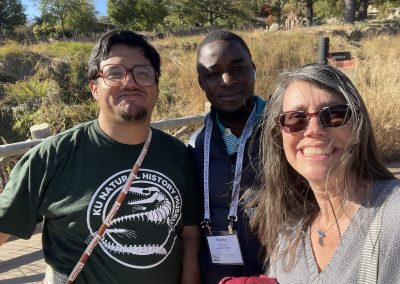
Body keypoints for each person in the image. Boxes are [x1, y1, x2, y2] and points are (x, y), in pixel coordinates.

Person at [0, 30, 201, 284]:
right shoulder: (53, 156)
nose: (130, 82)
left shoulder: (179, 155)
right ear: (94, 87)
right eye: (115, 73)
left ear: (156, 86)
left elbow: (190, 235)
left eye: (143, 73)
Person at [248, 63, 400, 283]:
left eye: (334, 115)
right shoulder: (290, 236)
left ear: (358, 124)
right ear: (279, 135)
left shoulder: (393, 215)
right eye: (296, 119)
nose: (314, 129)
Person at [188, 30, 266, 284]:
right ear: (201, 82)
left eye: (238, 67)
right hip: (220, 276)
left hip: (281, 273)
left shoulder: (286, 132)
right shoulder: (196, 145)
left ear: (253, 69)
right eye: (212, 74)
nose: (226, 80)